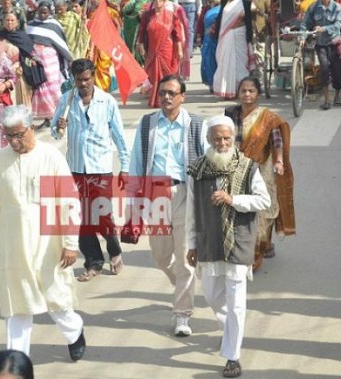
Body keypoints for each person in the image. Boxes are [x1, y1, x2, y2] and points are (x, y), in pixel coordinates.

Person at [0, 105, 86, 360]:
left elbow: (69, 202)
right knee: (17, 304)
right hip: (13, 244)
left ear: (31, 128)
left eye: (19, 135)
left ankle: (74, 333)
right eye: (9, 136)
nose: (14, 141)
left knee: (56, 299)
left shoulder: (50, 157)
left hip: (48, 241)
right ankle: (17, 362)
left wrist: (71, 243)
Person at [186, 115, 271, 378]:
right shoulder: (197, 169)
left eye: (227, 138)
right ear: (208, 140)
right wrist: (190, 243)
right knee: (212, 296)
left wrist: (233, 199)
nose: (222, 143)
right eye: (217, 139)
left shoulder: (248, 167)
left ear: (233, 139)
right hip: (209, 243)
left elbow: (263, 201)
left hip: (238, 243)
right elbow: (191, 209)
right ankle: (230, 332)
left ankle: (232, 356)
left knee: (236, 304)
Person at [127, 75, 207, 336]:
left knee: (185, 258)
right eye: (163, 93)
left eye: (172, 93)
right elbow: (136, 163)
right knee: (160, 255)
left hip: (186, 193)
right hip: (156, 194)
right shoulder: (148, 123)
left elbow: (208, 161)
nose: (166, 98)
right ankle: (183, 284)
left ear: (183, 97)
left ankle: (182, 315)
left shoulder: (195, 124)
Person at [52, 59, 129, 282]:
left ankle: (114, 250)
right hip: (75, 168)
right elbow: (56, 133)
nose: (83, 84)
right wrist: (58, 128)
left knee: (102, 215)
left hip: (101, 168)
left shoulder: (107, 102)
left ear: (93, 76)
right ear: (73, 80)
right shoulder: (67, 100)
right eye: (79, 80)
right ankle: (94, 261)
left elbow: (119, 136)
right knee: (81, 218)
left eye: (87, 79)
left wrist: (124, 166)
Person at [225, 77, 295, 270]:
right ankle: (244, 250)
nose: (247, 94)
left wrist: (279, 161)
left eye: (251, 91)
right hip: (236, 168)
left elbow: (277, 141)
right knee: (238, 209)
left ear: (258, 94)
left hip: (262, 169)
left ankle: (260, 249)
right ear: (238, 93)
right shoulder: (230, 114)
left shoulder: (267, 118)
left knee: (264, 212)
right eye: (243, 91)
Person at [27, 2, 73, 129]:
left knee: (53, 88)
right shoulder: (30, 25)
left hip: (51, 61)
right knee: (40, 89)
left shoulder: (55, 26)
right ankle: (47, 118)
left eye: (45, 12)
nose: (42, 15)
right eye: (40, 12)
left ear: (50, 12)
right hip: (36, 61)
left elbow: (61, 45)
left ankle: (60, 116)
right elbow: (27, 43)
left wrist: (69, 59)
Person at [137, 0, 189, 107]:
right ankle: (156, 100)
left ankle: (170, 98)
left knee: (168, 75)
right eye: (155, 0)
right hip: (152, 50)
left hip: (167, 49)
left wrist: (179, 49)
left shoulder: (171, 15)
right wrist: (141, 45)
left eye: (160, 0)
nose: (157, 2)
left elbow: (176, 34)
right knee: (153, 76)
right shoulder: (147, 15)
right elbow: (142, 32)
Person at [301, 0, 341, 109]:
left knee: (336, 70)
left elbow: (338, 25)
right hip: (320, 44)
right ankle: (326, 100)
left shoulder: (337, 7)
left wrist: (324, 29)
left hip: (334, 43)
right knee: (324, 69)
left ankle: (337, 96)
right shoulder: (314, 7)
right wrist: (303, 37)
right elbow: (305, 23)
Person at [0, 11, 44, 108]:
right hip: (3, 73)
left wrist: (23, 65)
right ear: (3, 22)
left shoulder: (23, 37)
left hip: (19, 72)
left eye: (12, 20)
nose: (9, 22)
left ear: (17, 22)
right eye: (7, 20)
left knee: (21, 100)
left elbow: (30, 54)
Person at [212, 0, 254, 99]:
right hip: (226, 36)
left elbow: (249, 20)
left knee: (240, 63)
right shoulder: (225, 2)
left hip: (240, 35)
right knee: (226, 63)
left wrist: (250, 38)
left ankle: (241, 90)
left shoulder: (245, 3)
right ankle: (227, 90)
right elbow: (220, 19)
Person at [200, 0, 221, 90]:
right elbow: (200, 23)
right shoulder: (206, 9)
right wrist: (198, 36)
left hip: (219, 37)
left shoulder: (225, 8)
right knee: (209, 60)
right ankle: (212, 83)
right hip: (208, 38)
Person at [121, 0, 149, 66]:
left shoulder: (153, 2)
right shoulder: (133, 3)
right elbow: (124, 12)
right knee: (134, 48)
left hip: (148, 29)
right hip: (133, 29)